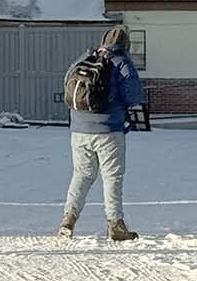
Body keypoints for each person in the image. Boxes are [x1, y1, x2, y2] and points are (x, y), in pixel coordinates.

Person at [60, 25, 146, 241]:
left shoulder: (85, 58)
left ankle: (68, 219)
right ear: (125, 45)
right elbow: (134, 95)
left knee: (82, 175)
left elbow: (67, 84)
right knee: (112, 178)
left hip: (78, 129)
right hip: (109, 131)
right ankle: (115, 225)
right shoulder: (122, 63)